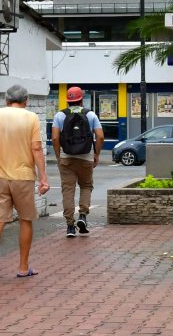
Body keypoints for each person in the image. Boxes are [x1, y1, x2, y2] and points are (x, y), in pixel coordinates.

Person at [0, 84, 49, 282]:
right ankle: (23, 267)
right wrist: (43, 177)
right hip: (23, 177)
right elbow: (37, 149)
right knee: (25, 219)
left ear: (6, 100)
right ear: (26, 101)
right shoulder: (31, 117)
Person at [51, 86, 104, 238]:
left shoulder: (60, 116)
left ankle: (70, 226)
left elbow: (55, 138)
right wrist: (96, 154)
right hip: (86, 157)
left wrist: (58, 156)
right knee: (86, 186)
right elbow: (100, 137)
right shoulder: (91, 115)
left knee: (68, 190)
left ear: (68, 100)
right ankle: (82, 216)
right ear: (81, 100)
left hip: (66, 157)